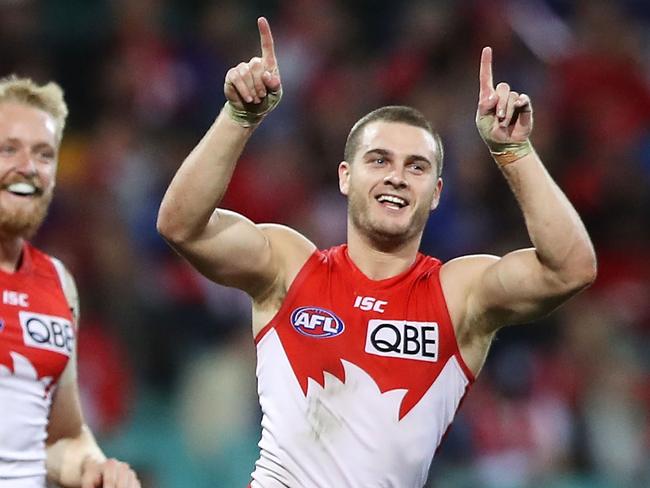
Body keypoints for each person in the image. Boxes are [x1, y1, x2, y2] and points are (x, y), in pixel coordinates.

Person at [157, 17, 597, 488]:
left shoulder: (458, 294)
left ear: (436, 193)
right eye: (379, 160)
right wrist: (238, 118)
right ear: (346, 177)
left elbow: (571, 268)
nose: (396, 177)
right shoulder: (288, 265)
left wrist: (514, 153)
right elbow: (181, 224)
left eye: (417, 166)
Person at [0, 76, 140, 488]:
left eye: (44, 154)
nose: (28, 167)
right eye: (9, 149)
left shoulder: (58, 283)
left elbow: (60, 437)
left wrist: (93, 467)